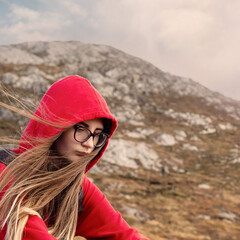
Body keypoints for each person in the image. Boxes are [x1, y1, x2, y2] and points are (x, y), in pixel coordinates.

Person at [0, 75, 149, 240]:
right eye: (81, 129)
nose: (90, 144)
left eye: (97, 135)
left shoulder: (77, 187)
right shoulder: (4, 174)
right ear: (56, 127)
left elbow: (124, 235)